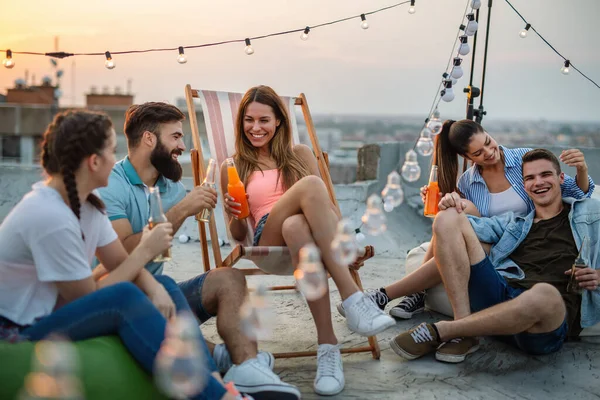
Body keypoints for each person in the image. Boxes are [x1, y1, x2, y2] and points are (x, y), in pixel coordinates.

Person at [0, 110, 253, 400]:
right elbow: (90, 298)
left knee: (167, 286)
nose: (116, 158)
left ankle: (213, 383)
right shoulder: (49, 215)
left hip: (51, 313)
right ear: (94, 162)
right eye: (111, 150)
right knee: (124, 297)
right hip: (17, 329)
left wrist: (156, 288)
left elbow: (119, 261)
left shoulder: (88, 206)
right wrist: (146, 248)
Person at [96, 102, 300, 398]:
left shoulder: (172, 188)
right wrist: (181, 210)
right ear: (149, 139)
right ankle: (228, 365)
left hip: (158, 294)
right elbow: (124, 254)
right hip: (121, 294)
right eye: (176, 137)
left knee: (229, 278)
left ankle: (245, 368)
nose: (182, 146)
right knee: (159, 294)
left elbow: (160, 246)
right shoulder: (112, 186)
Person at [221, 85, 395, 396]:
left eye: (264, 120)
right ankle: (354, 299)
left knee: (296, 224)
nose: (255, 128)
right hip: (267, 239)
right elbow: (237, 235)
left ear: (279, 123)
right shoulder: (233, 166)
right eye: (249, 120)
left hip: (306, 241)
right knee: (311, 186)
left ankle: (328, 348)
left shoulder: (299, 154)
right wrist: (234, 214)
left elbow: (325, 210)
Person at [339, 119, 594, 321]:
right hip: (496, 239)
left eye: (489, 142)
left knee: (453, 232)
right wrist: (450, 202)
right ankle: (387, 296)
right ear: (467, 158)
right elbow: (480, 225)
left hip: (524, 241)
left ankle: (393, 295)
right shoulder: (468, 181)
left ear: (489, 133)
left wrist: (581, 169)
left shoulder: (525, 160)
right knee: (451, 217)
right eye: (478, 153)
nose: (489, 153)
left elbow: (579, 192)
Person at [389, 148, 600, 363]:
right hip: (499, 294)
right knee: (448, 217)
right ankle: (464, 333)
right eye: (530, 178)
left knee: (544, 294)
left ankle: (445, 330)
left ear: (561, 178)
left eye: (545, 175)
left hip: (543, 323)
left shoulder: (591, 213)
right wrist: (452, 201)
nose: (538, 182)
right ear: (524, 185)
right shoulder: (514, 223)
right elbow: (461, 224)